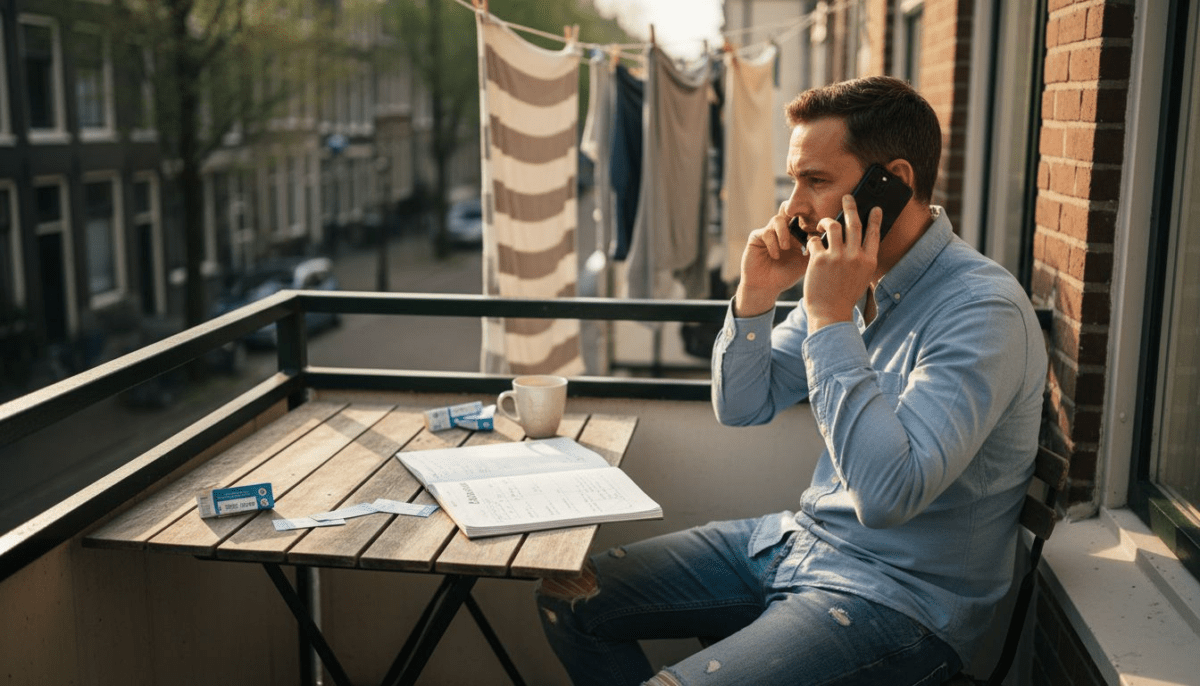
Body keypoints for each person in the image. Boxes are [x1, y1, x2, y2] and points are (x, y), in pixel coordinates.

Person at [535, 75, 1048, 686]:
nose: (794, 207)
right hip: (797, 542)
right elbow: (742, 405)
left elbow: (888, 497)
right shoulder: (842, 271)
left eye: (817, 181)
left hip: (899, 601)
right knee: (566, 591)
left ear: (896, 181)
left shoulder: (980, 310)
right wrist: (756, 294)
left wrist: (831, 315)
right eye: (793, 181)